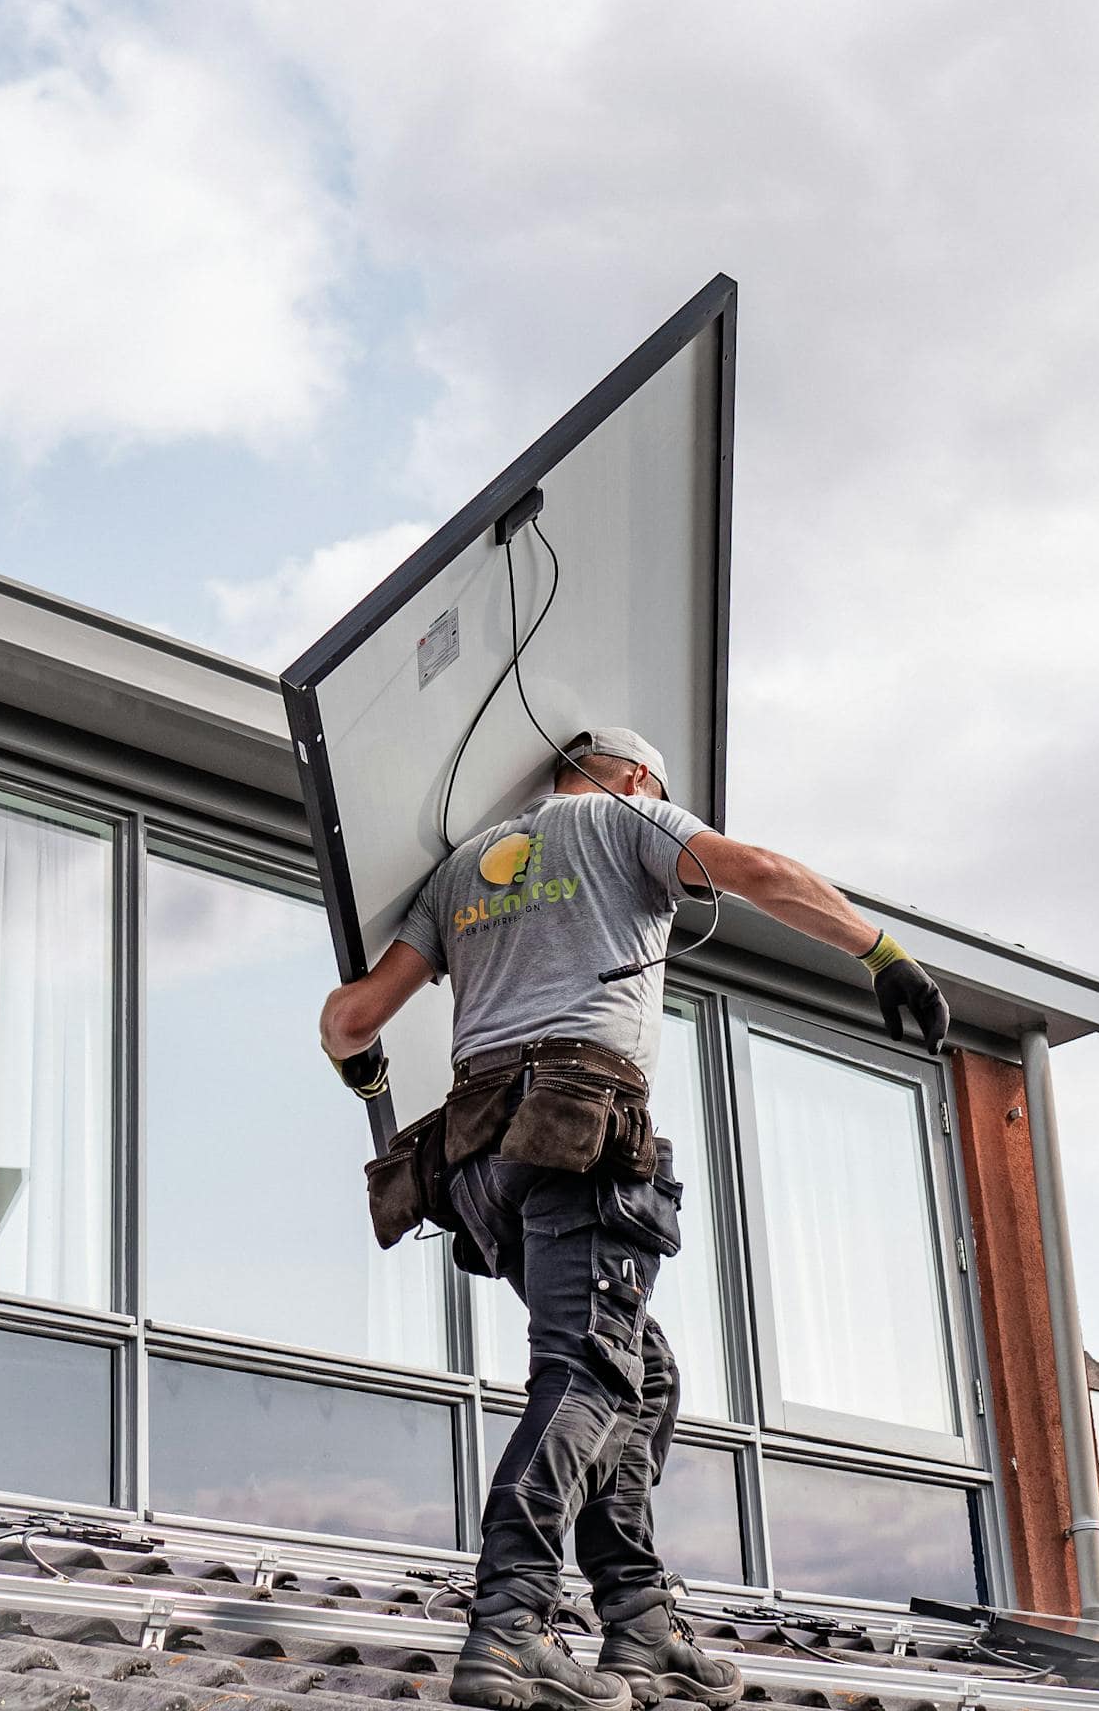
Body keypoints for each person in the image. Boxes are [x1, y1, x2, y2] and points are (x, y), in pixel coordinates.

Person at [320, 727, 949, 1711]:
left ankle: (640, 1624)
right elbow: (763, 871)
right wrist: (882, 952)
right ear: (641, 776)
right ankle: (511, 1625)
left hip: (483, 1161)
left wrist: (367, 1073)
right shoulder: (630, 820)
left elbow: (350, 1019)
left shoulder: (457, 871)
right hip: (574, 1129)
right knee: (592, 1373)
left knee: (639, 1370)